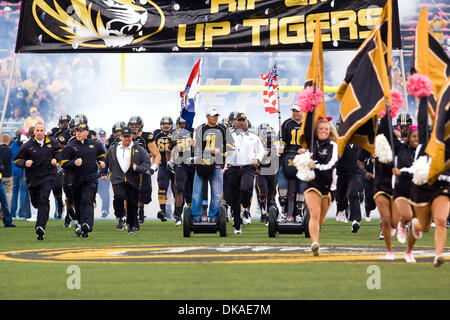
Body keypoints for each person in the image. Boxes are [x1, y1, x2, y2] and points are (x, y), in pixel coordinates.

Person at [14, 122, 62, 239]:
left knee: (43, 199)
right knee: (35, 202)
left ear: (45, 131)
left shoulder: (52, 142)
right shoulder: (27, 145)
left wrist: (56, 159)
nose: (39, 133)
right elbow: (17, 160)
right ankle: (39, 218)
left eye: (41, 130)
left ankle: (40, 227)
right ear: (34, 131)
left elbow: (60, 153)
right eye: (37, 130)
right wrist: (25, 163)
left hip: (48, 176)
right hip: (33, 179)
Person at [60, 117, 106, 238]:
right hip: (74, 180)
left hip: (90, 179)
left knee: (87, 200)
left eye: (81, 131)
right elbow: (62, 163)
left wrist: (102, 162)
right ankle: (80, 224)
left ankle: (87, 224)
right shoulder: (70, 146)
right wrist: (73, 163)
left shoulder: (95, 144)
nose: (78, 133)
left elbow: (102, 155)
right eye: (77, 131)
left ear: (87, 132)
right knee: (78, 203)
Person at [299, 118, 338, 256]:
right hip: (312, 183)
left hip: (328, 186)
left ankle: (315, 232)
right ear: (316, 131)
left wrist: (316, 165)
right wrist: (311, 107)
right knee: (314, 214)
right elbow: (308, 126)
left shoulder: (333, 146)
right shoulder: (312, 142)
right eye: (321, 129)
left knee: (320, 218)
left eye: (326, 129)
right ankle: (315, 243)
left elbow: (331, 164)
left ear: (330, 131)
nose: (323, 131)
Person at [102, 127, 150, 234]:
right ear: (120, 137)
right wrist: (103, 172)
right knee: (119, 197)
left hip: (133, 179)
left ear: (132, 136)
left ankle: (131, 226)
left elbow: (147, 162)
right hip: (117, 178)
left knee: (132, 203)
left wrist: (138, 168)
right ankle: (120, 215)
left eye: (129, 136)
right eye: (125, 136)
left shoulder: (139, 148)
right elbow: (106, 160)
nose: (127, 139)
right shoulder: (113, 148)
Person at [191, 107, 234, 224]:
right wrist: (193, 145)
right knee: (196, 192)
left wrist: (219, 150)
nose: (215, 118)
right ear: (207, 116)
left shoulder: (223, 129)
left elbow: (231, 146)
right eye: (213, 115)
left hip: (217, 164)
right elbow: (196, 149)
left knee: (217, 193)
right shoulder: (200, 129)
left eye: (216, 116)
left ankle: (213, 215)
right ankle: (196, 215)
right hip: (202, 164)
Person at [226, 113, 264, 234]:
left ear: (246, 122)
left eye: (243, 120)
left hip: (248, 167)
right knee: (233, 198)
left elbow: (261, 150)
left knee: (246, 187)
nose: (241, 122)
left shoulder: (253, 136)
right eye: (239, 120)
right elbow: (222, 149)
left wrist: (257, 160)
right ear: (235, 122)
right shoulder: (229, 136)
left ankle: (246, 204)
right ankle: (237, 225)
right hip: (233, 168)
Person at [390, 125, 419, 262]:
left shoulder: (424, 152)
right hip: (401, 190)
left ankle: (409, 252)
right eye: (414, 136)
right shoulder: (401, 148)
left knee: (418, 224)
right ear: (409, 137)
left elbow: (418, 169)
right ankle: (402, 224)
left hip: (419, 192)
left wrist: (403, 171)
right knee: (407, 215)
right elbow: (388, 134)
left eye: (419, 137)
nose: (416, 139)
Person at [128, 116, 160, 229]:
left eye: (136, 125)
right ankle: (133, 216)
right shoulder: (126, 136)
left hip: (143, 168)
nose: (133, 127)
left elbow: (156, 154)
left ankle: (140, 210)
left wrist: (153, 167)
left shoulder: (146, 136)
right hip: (129, 169)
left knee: (144, 195)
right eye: (132, 125)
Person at [277, 104, 306, 223]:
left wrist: (306, 149)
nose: (295, 113)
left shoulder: (308, 125)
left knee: (302, 183)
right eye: (293, 111)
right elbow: (280, 140)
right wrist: (280, 147)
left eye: (297, 111)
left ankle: (299, 211)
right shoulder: (286, 124)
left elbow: (313, 141)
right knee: (282, 182)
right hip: (288, 155)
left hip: (302, 157)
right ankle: (284, 210)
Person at [166, 116, 195, 226]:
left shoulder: (194, 132)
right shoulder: (175, 133)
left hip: (192, 163)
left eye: (184, 123)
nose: (182, 125)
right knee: (179, 188)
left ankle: (192, 214)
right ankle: (178, 214)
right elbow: (169, 148)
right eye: (180, 123)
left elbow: (201, 148)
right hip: (180, 163)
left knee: (191, 191)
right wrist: (169, 161)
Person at [48, 114, 72, 220]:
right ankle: (59, 203)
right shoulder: (54, 132)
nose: (65, 123)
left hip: (69, 163)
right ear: (60, 122)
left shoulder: (73, 132)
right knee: (56, 187)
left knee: (69, 189)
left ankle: (69, 213)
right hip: (58, 162)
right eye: (64, 122)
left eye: (67, 121)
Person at [335, 143, 363, 233]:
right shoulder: (340, 141)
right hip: (341, 173)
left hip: (355, 173)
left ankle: (355, 220)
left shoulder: (360, 142)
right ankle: (341, 208)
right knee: (341, 193)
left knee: (353, 193)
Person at [255, 124, 279, 225]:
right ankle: (263, 210)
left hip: (273, 172)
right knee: (263, 192)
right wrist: (255, 168)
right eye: (267, 135)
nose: (269, 137)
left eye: (270, 135)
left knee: (272, 194)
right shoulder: (257, 145)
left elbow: (280, 159)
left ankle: (269, 214)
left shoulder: (276, 146)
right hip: (262, 172)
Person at [154, 116, 175, 222]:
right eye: (164, 124)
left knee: (177, 189)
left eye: (168, 124)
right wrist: (155, 163)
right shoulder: (157, 135)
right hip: (162, 164)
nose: (166, 126)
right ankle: (163, 211)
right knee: (162, 187)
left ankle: (178, 212)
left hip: (175, 165)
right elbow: (153, 150)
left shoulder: (176, 133)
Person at [10, 129, 31, 219]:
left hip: (14, 171)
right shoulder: (24, 144)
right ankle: (21, 213)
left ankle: (13, 213)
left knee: (14, 193)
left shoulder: (13, 145)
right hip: (22, 170)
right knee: (23, 192)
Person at [97, 129, 110, 218]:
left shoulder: (108, 147)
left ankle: (105, 210)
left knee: (105, 192)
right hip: (95, 173)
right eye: (100, 137)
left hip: (105, 173)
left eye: (103, 137)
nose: (102, 138)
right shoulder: (95, 146)